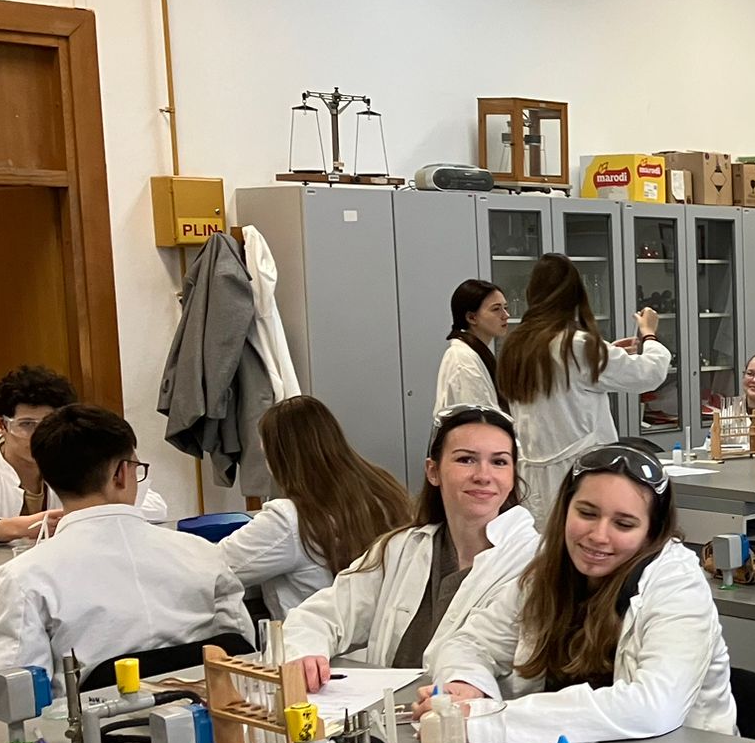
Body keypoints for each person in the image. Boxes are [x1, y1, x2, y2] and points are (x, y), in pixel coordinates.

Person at [427, 443, 736, 743]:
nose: (599, 536)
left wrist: (488, 720)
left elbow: (654, 709)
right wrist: (465, 685)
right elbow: (468, 643)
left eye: (623, 524)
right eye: (587, 513)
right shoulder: (545, 574)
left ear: (651, 533)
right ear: (565, 509)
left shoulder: (679, 585)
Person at [0, 406, 247, 719]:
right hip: (214, 725)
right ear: (122, 473)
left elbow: (11, 698)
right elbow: (244, 653)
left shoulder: (24, 577)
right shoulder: (204, 553)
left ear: (48, 476)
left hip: (98, 739)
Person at [285, 405, 538, 683]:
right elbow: (321, 617)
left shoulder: (534, 561)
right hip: (389, 709)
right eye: (466, 459)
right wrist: (306, 654)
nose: (483, 475)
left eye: (499, 462)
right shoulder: (400, 549)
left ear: (513, 475)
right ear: (433, 471)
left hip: (480, 710)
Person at [499, 255, 670, 523]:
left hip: (532, 477)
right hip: (581, 472)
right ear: (576, 296)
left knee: (543, 543)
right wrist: (649, 333)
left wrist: (607, 353)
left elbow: (566, 380)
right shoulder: (577, 345)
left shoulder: (517, 345)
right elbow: (649, 373)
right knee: (586, 541)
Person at [218, 397, 413, 621]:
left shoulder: (288, 518)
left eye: (266, 455)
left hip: (315, 639)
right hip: (382, 635)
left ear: (279, 457)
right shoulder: (383, 489)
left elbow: (213, 570)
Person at [0, 365, 169, 545]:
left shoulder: (79, 458)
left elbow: (155, 507)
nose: (39, 435)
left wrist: (81, 511)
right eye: (26, 424)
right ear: (0, 424)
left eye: (49, 424)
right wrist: (16, 527)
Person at [435, 279, 508, 413]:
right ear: (471, 318)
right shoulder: (463, 359)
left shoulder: (475, 352)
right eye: (496, 309)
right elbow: (480, 418)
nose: (506, 315)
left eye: (505, 308)